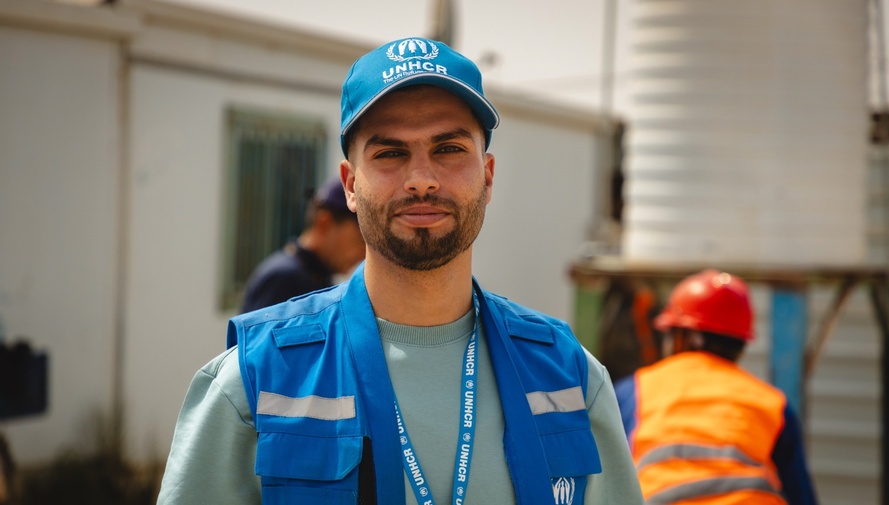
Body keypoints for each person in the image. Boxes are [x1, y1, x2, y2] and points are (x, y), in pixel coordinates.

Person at [157, 36, 643, 505]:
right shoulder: (253, 381)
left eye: (449, 149)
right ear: (350, 185)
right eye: (390, 153)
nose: (421, 180)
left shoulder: (571, 378)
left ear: (488, 177)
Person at [614, 269, 819, 505]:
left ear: (683, 337)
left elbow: (604, 480)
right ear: (741, 345)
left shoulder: (635, 390)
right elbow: (801, 496)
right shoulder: (773, 404)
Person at [239, 177, 366, 314]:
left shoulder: (315, 277)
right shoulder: (284, 278)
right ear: (324, 223)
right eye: (361, 240)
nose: (365, 253)